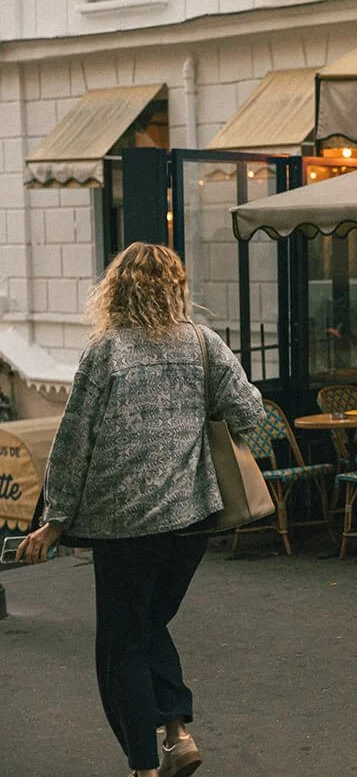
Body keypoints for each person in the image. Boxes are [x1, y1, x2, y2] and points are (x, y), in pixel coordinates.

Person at [17, 243, 265, 777]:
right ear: (176, 288)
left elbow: (73, 441)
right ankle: (176, 732)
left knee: (123, 643)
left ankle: (144, 767)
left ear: (117, 289)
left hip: (123, 525)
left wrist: (54, 520)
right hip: (191, 520)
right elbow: (250, 412)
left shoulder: (106, 352)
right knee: (150, 623)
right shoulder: (204, 343)